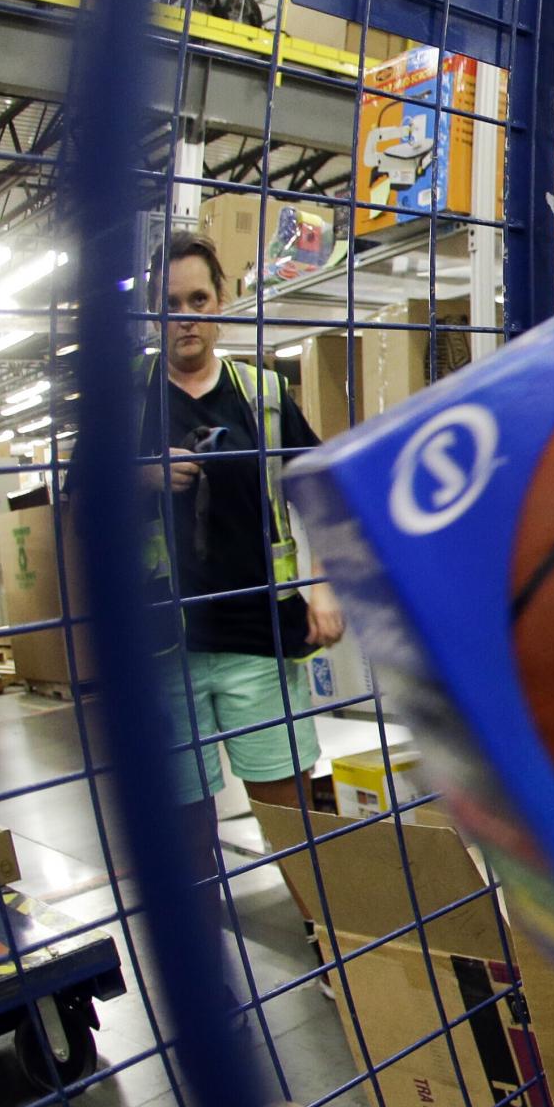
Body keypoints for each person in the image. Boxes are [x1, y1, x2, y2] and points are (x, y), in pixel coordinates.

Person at [138, 232, 341, 878]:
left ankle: (333, 945)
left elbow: (323, 496)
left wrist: (328, 585)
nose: (187, 315)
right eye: (171, 302)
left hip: (259, 639)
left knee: (293, 823)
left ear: (222, 300)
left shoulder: (264, 395)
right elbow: (76, 517)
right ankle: (207, 973)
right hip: (164, 650)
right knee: (185, 839)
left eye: (199, 297)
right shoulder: (124, 408)